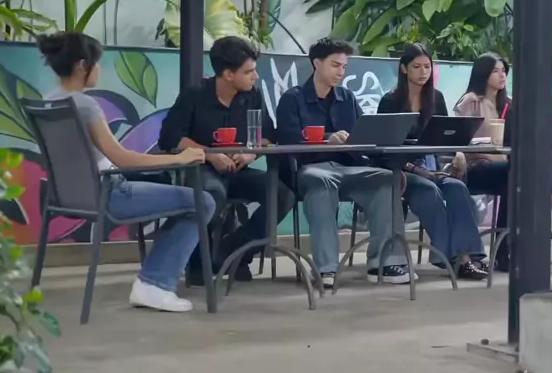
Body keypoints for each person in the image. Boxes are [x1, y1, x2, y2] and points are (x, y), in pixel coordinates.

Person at [37, 32, 215, 313]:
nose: (99, 69)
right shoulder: (85, 104)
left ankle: (154, 280)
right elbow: (121, 158)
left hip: (66, 196)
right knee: (202, 201)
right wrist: (179, 158)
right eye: (97, 63)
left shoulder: (47, 100)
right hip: (109, 193)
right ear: (83, 65)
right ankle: (155, 284)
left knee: (180, 194)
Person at [275, 38, 412, 288]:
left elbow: (363, 135)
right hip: (311, 169)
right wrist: (327, 141)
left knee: (386, 179)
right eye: (335, 65)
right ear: (317, 63)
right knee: (320, 181)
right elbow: (287, 140)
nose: (341, 72)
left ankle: (384, 262)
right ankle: (326, 267)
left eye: (344, 67)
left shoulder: (347, 97)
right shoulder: (292, 99)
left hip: (349, 168)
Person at [158, 36, 296, 285]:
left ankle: (233, 252)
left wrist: (250, 153)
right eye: (249, 72)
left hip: (238, 170)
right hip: (202, 169)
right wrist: (210, 154)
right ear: (228, 74)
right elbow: (170, 137)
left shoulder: (252, 96)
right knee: (212, 194)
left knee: (282, 195)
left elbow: (267, 135)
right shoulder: (194, 95)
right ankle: (199, 263)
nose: (255, 76)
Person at [377, 44, 488, 280]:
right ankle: (454, 259)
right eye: (417, 67)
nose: (423, 72)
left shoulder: (436, 98)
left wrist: (457, 152)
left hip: (431, 167)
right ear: (404, 69)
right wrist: (417, 170)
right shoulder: (390, 100)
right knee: (429, 192)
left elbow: (447, 133)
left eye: (427, 67)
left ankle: (468, 256)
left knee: (457, 188)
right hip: (402, 170)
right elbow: (383, 150)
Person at [453, 53, 513, 271]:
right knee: (515, 174)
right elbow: (458, 138)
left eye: (504, 71)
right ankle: (504, 250)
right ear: (483, 74)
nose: (502, 75)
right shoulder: (471, 101)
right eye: (495, 71)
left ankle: (504, 250)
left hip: (504, 167)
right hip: (476, 166)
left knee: (516, 180)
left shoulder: (507, 104)